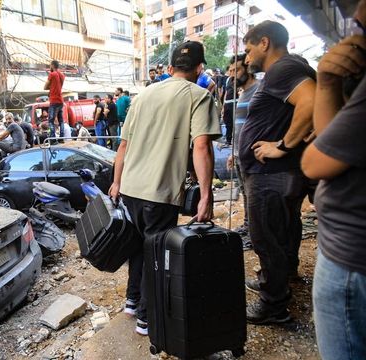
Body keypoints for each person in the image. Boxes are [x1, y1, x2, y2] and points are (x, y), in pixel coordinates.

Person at [109, 41, 220, 336]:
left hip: (131, 187)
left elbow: (123, 145)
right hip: (159, 191)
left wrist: (117, 182)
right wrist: (206, 196)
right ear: (200, 68)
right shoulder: (199, 96)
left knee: (138, 248)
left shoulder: (143, 95)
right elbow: (201, 146)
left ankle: (132, 302)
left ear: (170, 69)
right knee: (156, 254)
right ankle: (146, 319)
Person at [238, 20, 317, 324]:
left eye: (248, 50)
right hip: (279, 174)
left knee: (266, 238)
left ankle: (274, 305)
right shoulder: (291, 69)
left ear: (265, 43)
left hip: (271, 173)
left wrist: (282, 145)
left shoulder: (282, 68)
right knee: (284, 230)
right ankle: (283, 278)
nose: (247, 58)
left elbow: (309, 102)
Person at [300, 3, 366, 357]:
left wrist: (282, 146)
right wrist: (328, 82)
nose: (354, 21)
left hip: (352, 261)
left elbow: (314, 162)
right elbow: (329, 137)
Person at [224, 54, 260, 250]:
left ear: (247, 69)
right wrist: (234, 152)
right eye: (230, 71)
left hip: (253, 156)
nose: (232, 75)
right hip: (240, 154)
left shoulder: (259, 90)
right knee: (245, 194)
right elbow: (240, 127)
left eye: (236, 70)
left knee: (254, 198)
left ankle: (255, 235)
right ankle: (248, 228)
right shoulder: (242, 93)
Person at [44, 60, 65, 139]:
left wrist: (51, 86)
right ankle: (62, 138)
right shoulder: (62, 75)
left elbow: (45, 87)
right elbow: (60, 86)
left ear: (52, 65)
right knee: (61, 121)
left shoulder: (52, 74)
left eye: (50, 65)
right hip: (60, 100)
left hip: (54, 100)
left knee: (51, 121)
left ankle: (52, 139)